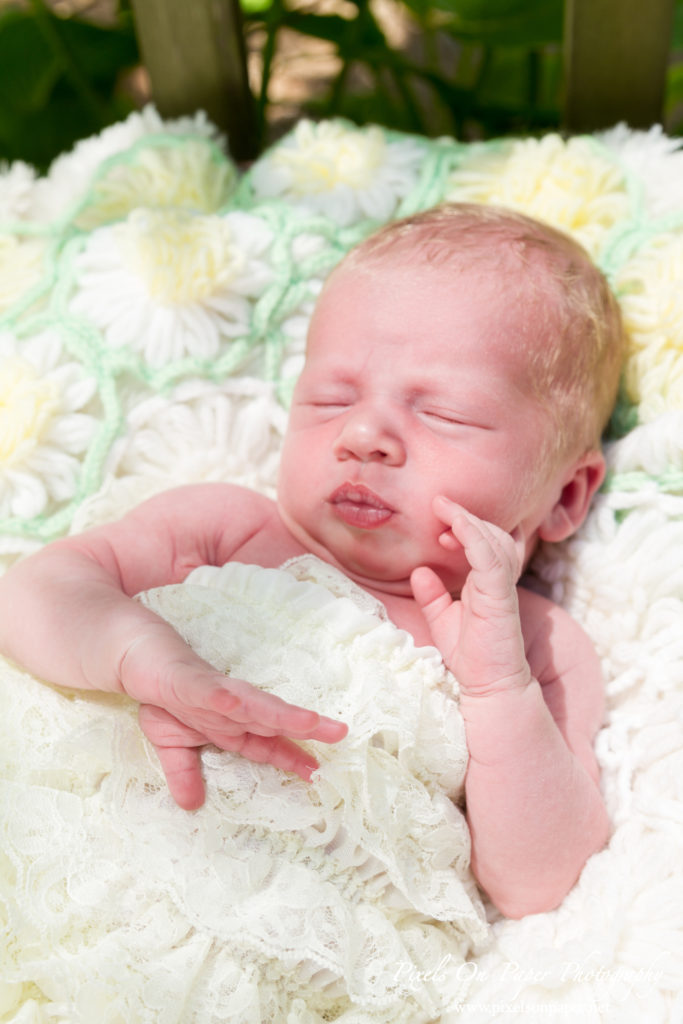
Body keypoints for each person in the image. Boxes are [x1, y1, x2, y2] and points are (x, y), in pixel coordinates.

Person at [0, 202, 624, 920]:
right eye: (329, 400)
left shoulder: (540, 649)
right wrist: (134, 654)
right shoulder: (226, 528)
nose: (361, 435)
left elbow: (539, 885)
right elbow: (30, 596)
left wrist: (497, 692)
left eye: (441, 413)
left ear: (565, 495)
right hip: (72, 878)